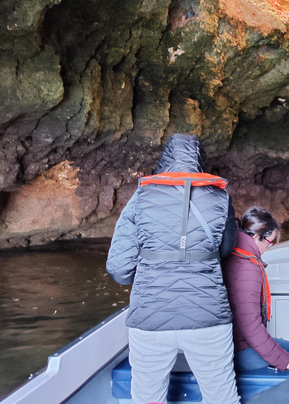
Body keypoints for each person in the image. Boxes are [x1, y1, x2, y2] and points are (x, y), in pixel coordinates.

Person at [106, 133, 240, 404]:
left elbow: (119, 269)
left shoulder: (141, 197)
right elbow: (224, 251)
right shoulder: (219, 196)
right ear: (199, 161)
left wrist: (151, 269)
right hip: (208, 313)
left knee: (148, 399)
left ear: (164, 162)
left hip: (151, 315)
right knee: (221, 398)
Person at [222, 206, 289, 373]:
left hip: (231, 342)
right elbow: (250, 327)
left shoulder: (234, 252)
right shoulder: (247, 267)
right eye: (269, 243)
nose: (268, 249)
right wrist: (285, 361)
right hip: (239, 349)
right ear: (257, 237)